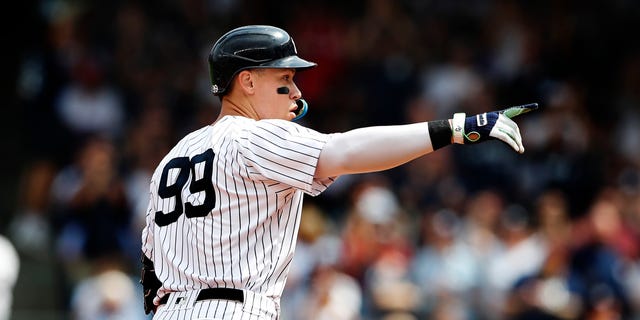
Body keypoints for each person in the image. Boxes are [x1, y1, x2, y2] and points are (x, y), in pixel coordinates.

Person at [140, 24, 537, 319]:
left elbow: (150, 263)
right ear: (246, 81)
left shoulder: (176, 154)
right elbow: (344, 151)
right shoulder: (254, 137)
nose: (296, 93)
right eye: (285, 79)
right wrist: (451, 129)